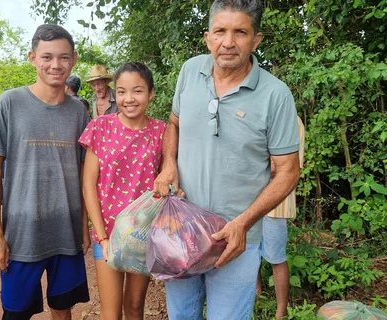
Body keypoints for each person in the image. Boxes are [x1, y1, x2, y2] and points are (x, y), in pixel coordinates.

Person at [153, 1, 301, 319]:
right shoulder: (190, 71)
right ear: (208, 37)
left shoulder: (276, 95)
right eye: (220, 31)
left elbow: (288, 171)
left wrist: (243, 224)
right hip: (181, 228)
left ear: (256, 39)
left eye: (240, 32)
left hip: (235, 240)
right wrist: (169, 164)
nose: (228, 42)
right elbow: (174, 124)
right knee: (181, 315)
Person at [0, 24, 91, 319]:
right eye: (47, 57)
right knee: (16, 312)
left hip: (66, 232)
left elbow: (83, 172)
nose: (55, 65)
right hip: (21, 235)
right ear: (32, 58)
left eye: (64, 57)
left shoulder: (79, 111)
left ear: (74, 59)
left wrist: (83, 226)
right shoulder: (9, 103)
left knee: (62, 306)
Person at [80, 62, 166, 320]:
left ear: (151, 94)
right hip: (107, 233)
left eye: (137, 91)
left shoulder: (161, 131)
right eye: (122, 91)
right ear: (114, 93)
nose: (129, 99)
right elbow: (88, 183)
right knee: (110, 312)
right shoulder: (100, 127)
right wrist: (103, 237)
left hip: (143, 234)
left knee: (135, 307)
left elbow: (166, 178)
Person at [257, 116, 305, 318]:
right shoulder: (258, 112)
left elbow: (289, 167)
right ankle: (257, 296)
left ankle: (280, 311)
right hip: (248, 199)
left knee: (277, 257)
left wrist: (253, 168)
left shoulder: (292, 121)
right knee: (249, 251)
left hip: (276, 203)